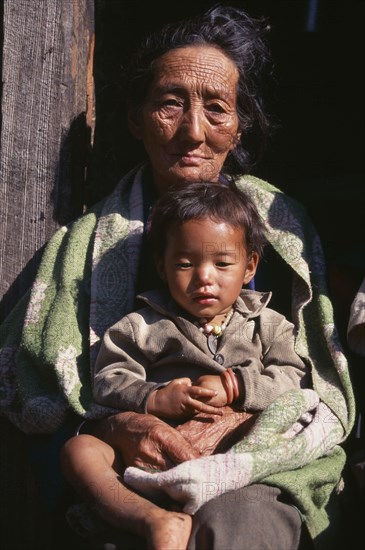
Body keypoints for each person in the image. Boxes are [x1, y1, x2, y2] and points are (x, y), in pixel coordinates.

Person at [0, 4, 354, 550]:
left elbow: (310, 378)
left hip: (253, 462)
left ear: (239, 128)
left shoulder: (282, 231)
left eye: (217, 109)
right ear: (136, 119)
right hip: (133, 473)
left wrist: (242, 417)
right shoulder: (82, 249)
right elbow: (41, 396)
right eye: (169, 104)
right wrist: (116, 424)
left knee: (242, 524)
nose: (192, 131)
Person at [89, 182, 308, 546]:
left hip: (235, 454)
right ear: (161, 266)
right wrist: (154, 397)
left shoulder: (269, 325)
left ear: (250, 265)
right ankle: (154, 520)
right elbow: (108, 379)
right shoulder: (141, 326)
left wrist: (236, 386)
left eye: (223, 263)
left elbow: (293, 380)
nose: (204, 277)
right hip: (158, 461)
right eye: (185, 263)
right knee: (80, 451)